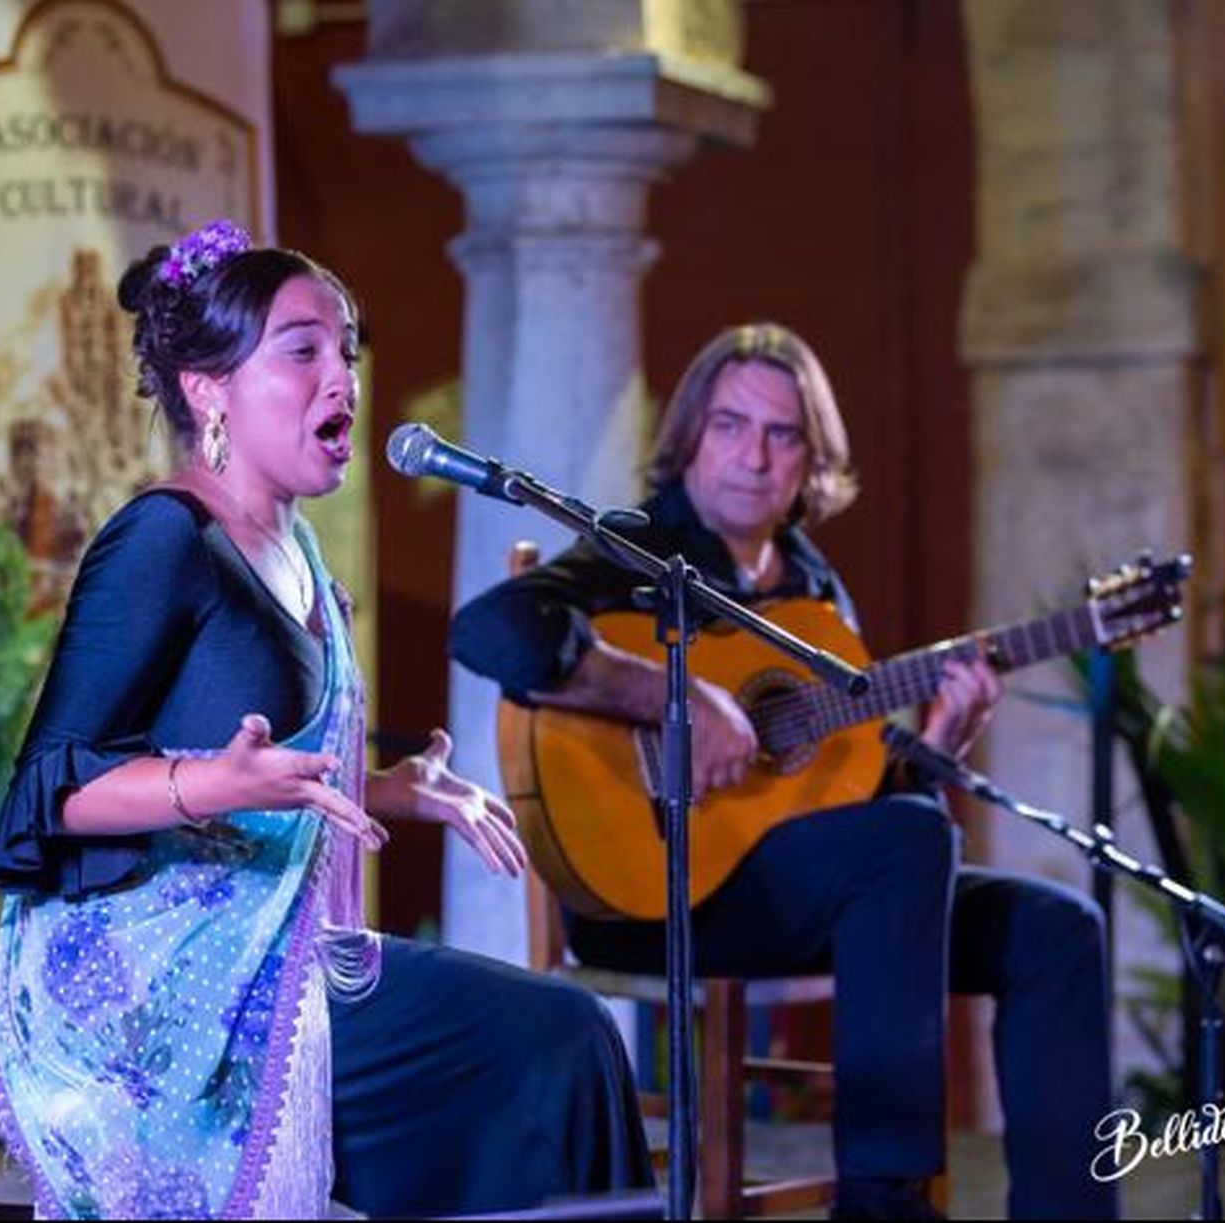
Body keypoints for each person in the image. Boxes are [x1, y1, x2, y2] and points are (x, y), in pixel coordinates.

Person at [0, 220, 652, 1219]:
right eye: (302, 351)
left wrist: (389, 788)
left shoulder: (296, 551)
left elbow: (271, 779)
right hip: (156, 979)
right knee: (548, 1040)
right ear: (209, 390)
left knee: (556, 1040)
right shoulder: (160, 538)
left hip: (267, 949)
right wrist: (214, 782)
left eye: (348, 351)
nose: (342, 378)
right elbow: (53, 789)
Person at [450, 323, 1118, 1220]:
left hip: (807, 897)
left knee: (1056, 927)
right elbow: (491, 631)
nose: (754, 456)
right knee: (907, 841)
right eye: (730, 425)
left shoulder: (813, 588)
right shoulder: (640, 547)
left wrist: (939, 744)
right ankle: (883, 1205)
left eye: (782, 434)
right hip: (656, 894)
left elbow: (867, 808)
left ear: (814, 460)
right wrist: (673, 696)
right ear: (690, 436)